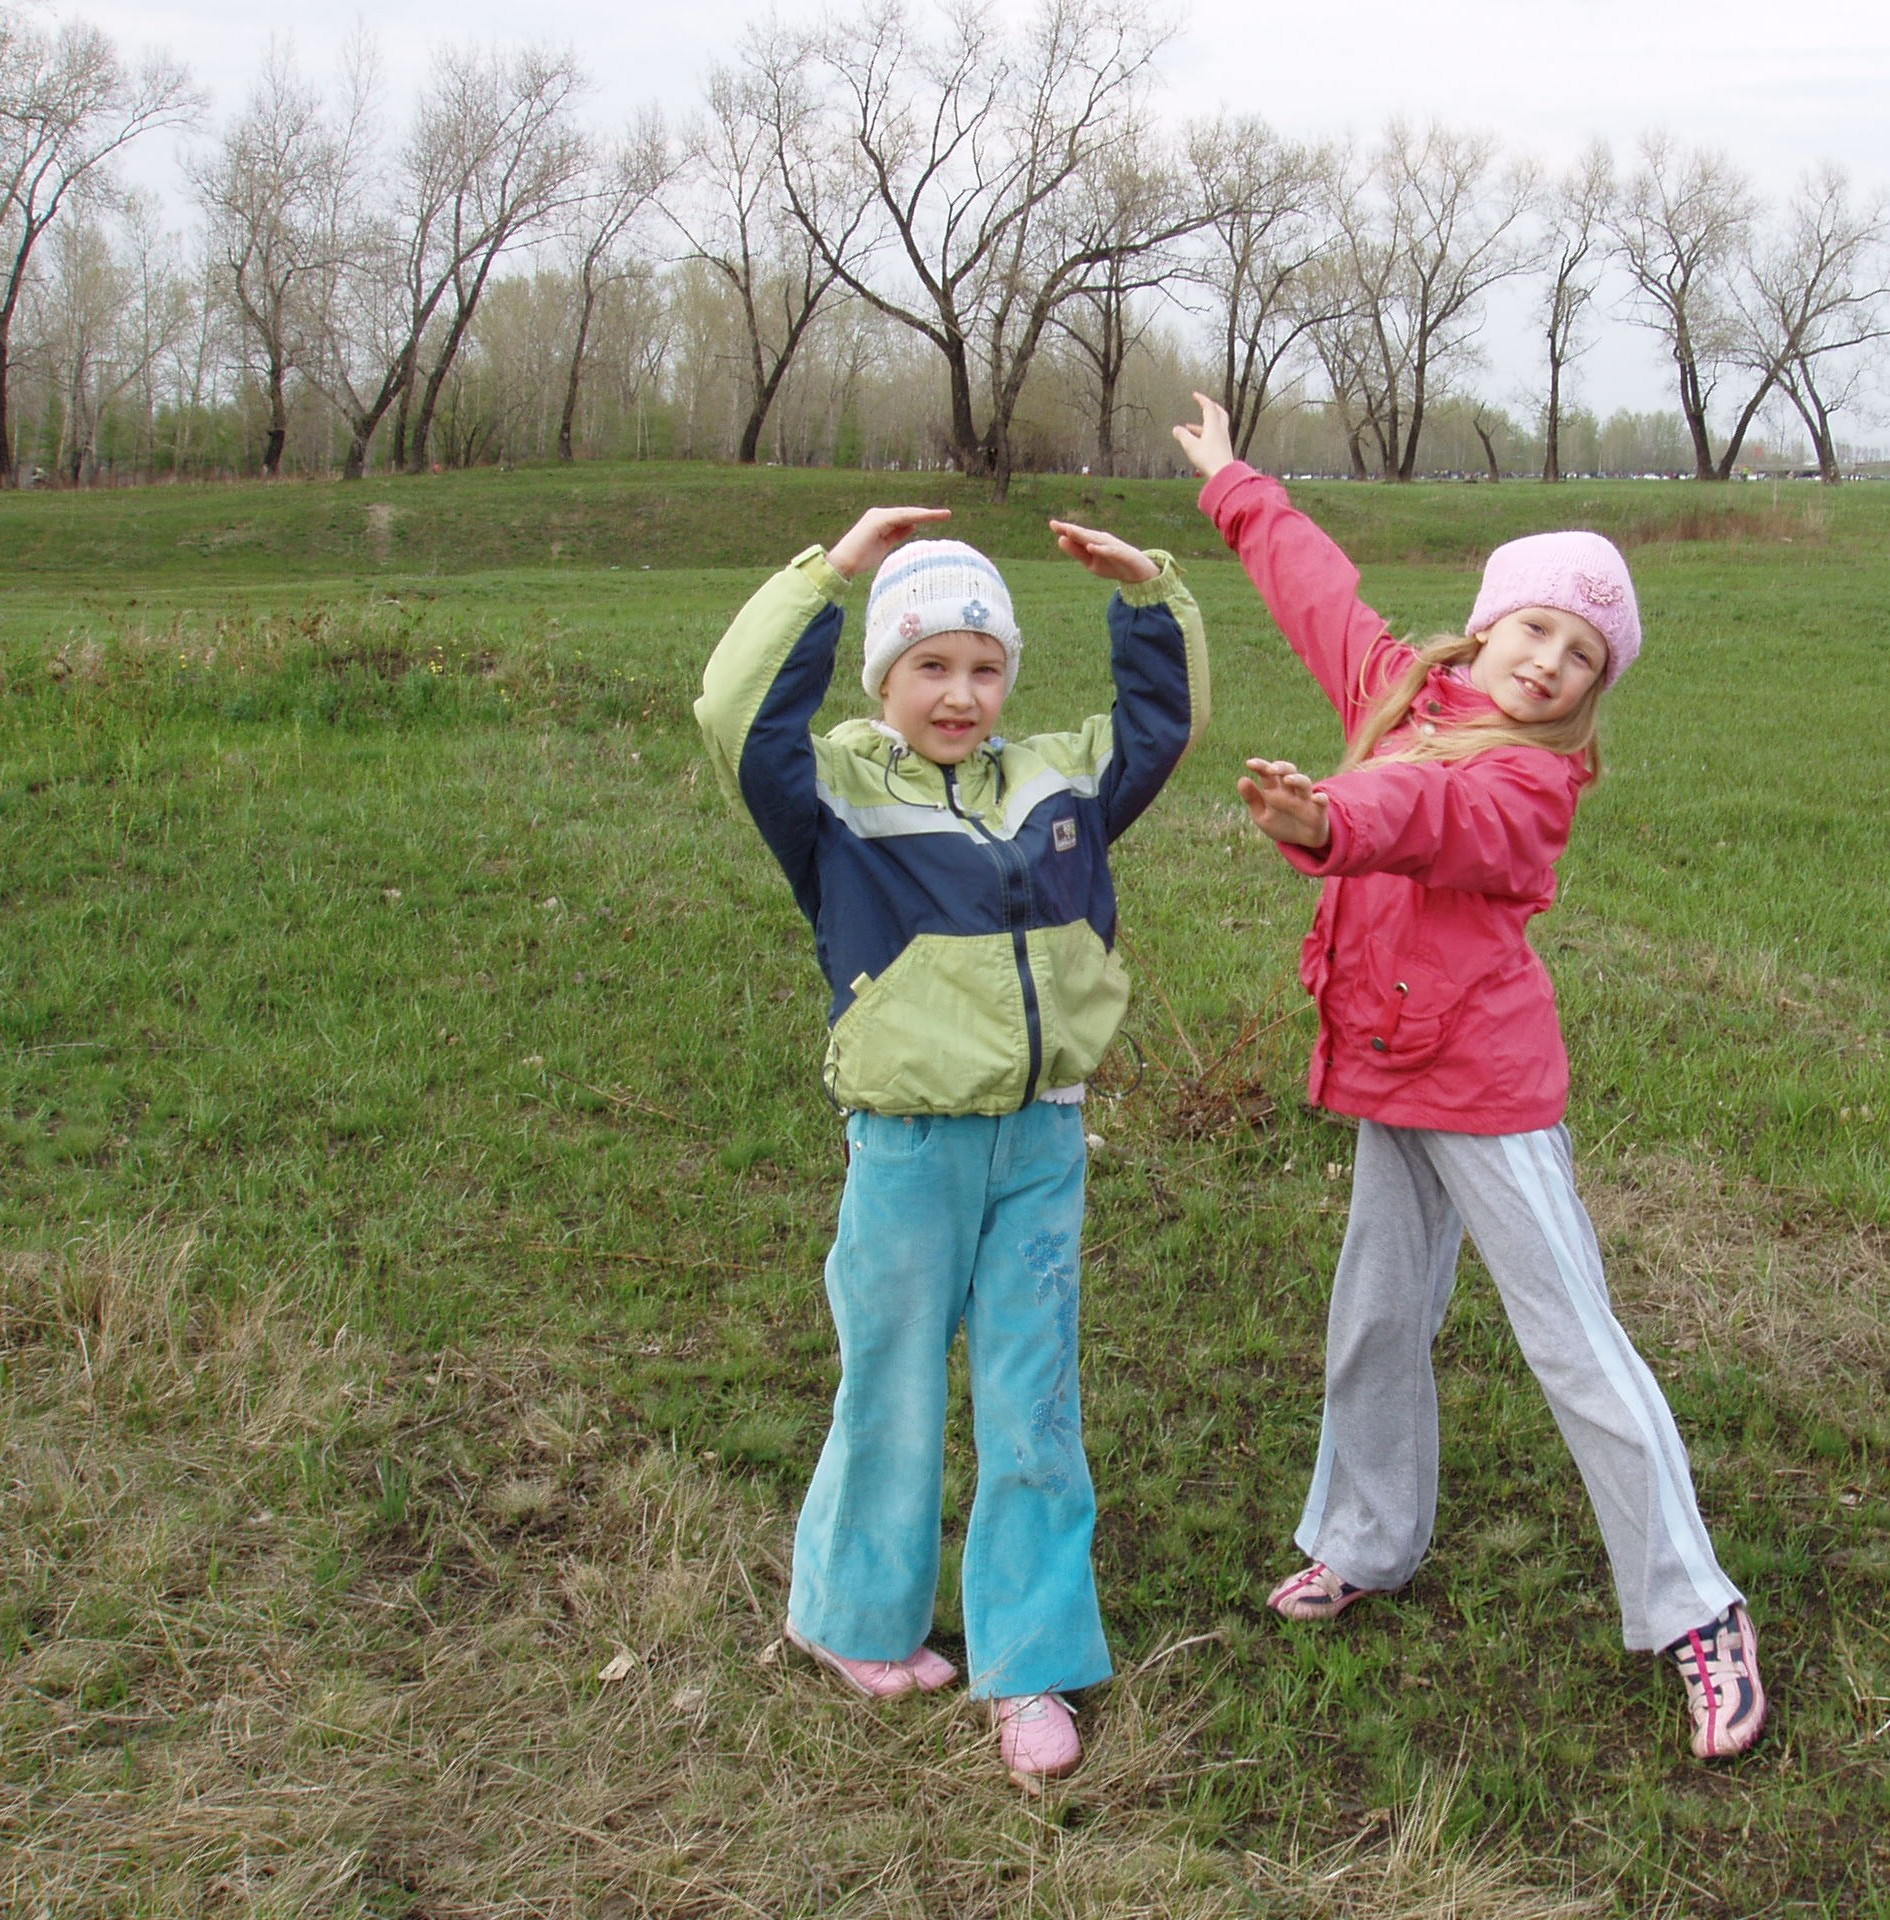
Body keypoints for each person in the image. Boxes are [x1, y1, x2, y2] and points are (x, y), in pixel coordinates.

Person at [1171, 393, 1765, 1761]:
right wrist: (1234, 484)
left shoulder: (1526, 784)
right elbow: (1317, 590)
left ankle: (1696, 1609)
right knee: (1376, 1318)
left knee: (1572, 1344)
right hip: (1391, 1068)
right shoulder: (1395, 689)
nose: (1552, 663)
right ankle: (1366, 1544)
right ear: (1486, 620)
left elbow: (1430, 818)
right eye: (1538, 628)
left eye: (1584, 656)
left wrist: (1327, 816)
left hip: (1485, 1090)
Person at [694, 506, 1208, 1786]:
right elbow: (734, 710)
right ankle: (852, 1619)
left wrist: (1153, 600)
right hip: (909, 1154)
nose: (962, 693)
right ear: (883, 678)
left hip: (1040, 1145)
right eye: (930, 665)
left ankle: (1027, 1659)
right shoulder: (834, 799)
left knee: (1035, 1399)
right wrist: (835, 570)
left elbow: (1163, 727)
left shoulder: (1055, 786)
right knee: (893, 1388)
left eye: (984, 665)